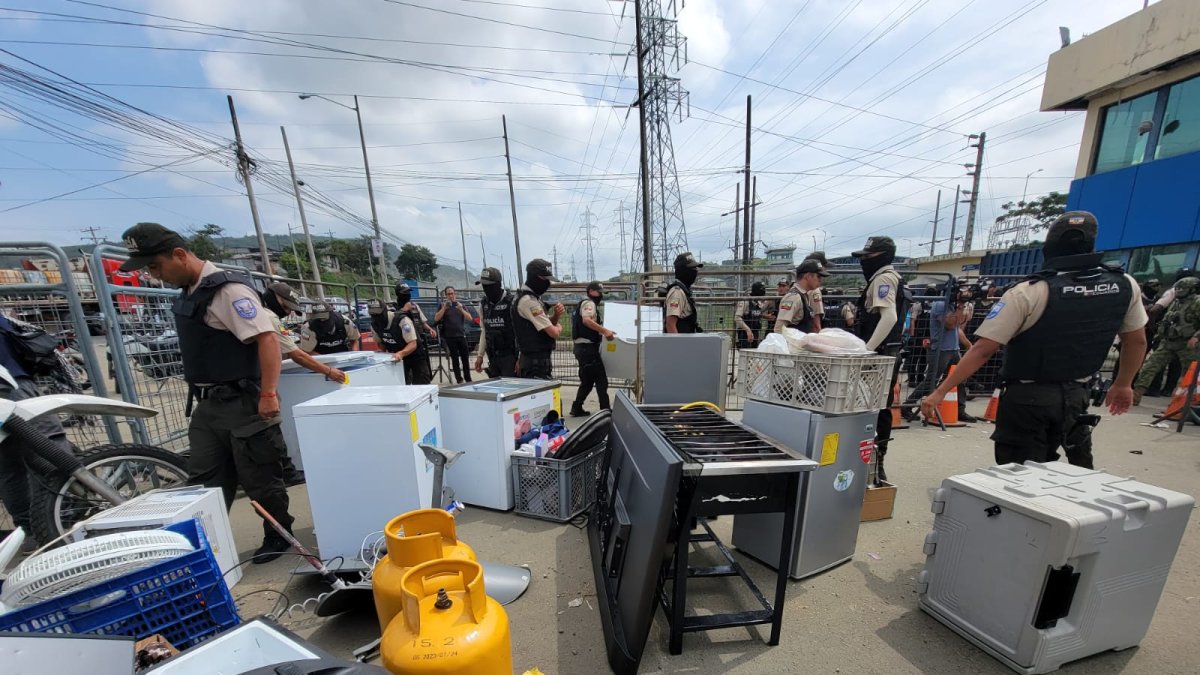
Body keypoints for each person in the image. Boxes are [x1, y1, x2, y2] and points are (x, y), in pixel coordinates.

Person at [118, 222, 297, 563]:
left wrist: (269, 393)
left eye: (155, 266)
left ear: (180, 255)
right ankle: (201, 546)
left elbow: (268, 340)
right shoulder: (191, 293)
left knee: (259, 476)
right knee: (203, 480)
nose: (154, 275)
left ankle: (279, 534)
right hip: (208, 405)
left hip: (243, 401)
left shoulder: (228, 291)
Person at [920, 212, 1148, 469]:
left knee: (1021, 476)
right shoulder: (1124, 284)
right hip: (1077, 394)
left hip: (1028, 398)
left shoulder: (1030, 291)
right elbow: (1137, 341)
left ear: (1050, 246)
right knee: (1075, 473)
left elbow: (984, 349)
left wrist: (940, 392)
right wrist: (1123, 383)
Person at [0, 315, 76, 551]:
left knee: (8, 465)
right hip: (9, 385)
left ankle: (30, 532)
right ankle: (62, 520)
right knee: (50, 450)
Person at [260, 282, 347, 487]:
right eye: (288, 307)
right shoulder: (268, 317)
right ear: (276, 299)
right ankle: (286, 473)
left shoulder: (258, 312)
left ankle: (280, 471)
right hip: (256, 384)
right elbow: (297, 354)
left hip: (257, 381)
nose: (288, 312)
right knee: (269, 427)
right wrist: (328, 371)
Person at [852, 236, 906, 483]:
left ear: (882, 255)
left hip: (878, 357)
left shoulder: (884, 278)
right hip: (884, 354)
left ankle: (874, 464)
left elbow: (889, 317)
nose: (864, 262)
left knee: (874, 408)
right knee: (876, 407)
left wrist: (867, 349)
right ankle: (872, 464)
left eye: (867, 257)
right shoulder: (887, 277)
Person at [902, 282, 977, 422]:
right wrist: (961, 306)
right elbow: (950, 324)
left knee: (960, 378)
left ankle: (960, 409)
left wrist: (967, 344)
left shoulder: (952, 306)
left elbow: (958, 327)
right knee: (931, 380)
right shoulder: (940, 305)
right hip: (940, 350)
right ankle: (907, 405)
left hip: (953, 349)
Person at [1134, 276, 1200, 405]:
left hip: (1187, 344)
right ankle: (1136, 395)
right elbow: (1168, 319)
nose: (1179, 291)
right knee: (1150, 367)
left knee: (1188, 375)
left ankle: (1181, 404)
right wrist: (1159, 336)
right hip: (1168, 341)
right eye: (1178, 288)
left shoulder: (1197, 302)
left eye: (1183, 288)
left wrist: (1196, 337)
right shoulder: (1176, 301)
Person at [512, 259, 564, 380]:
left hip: (534, 362)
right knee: (549, 398)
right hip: (535, 366)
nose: (548, 284)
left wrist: (556, 315)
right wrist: (559, 327)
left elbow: (542, 325)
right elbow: (553, 332)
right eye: (545, 280)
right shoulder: (529, 302)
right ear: (535, 278)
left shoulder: (531, 298)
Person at [570, 282, 616, 417]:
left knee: (587, 381)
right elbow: (586, 321)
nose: (600, 294)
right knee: (601, 380)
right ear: (590, 291)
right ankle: (605, 410)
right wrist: (604, 331)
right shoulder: (589, 303)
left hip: (581, 349)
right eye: (598, 291)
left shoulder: (583, 303)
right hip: (587, 349)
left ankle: (576, 407)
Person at [382, 283, 435, 385]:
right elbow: (391, 323)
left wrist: (430, 329)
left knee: (423, 378)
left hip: (417, 346)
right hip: (402, 348)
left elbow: (422, 321)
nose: (407, 295)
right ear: (398, 294)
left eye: (408, 292)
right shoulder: (392, 309)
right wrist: (404, 310)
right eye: (404, 293)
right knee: (405, 380)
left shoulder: (414, 306)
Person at [473, 267, 518, 378]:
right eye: (484, 285)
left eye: (489, 285)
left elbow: (521, 332)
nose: (486, 288)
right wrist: (480, 355)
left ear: (498, 284)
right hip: (493, 356)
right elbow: (484, 330)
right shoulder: (483, 304)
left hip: (511, 356)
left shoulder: (512, 302)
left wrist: (520, 358)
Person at [775, 259, 830, 333]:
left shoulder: (803, 295)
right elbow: (779, 328)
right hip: (793, 344)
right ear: (808, 276)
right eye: (819, 276)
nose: (821, 280)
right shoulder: (794, 297)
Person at [435, 286, 474, 384]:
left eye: (452, 293)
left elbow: (470, 318)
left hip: (461, 336)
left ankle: (468, 378)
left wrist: (461, 309)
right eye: (448, 294)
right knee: (455, 359)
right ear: (445, 295)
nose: (451, 296)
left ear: (455, 294)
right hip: (449, 337)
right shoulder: (442, 305)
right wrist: (444, 308)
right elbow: (436, 318)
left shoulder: (460, 305)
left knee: (465, 358)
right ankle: (459, 379)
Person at [664, 252, 703, 334]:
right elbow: (670, 324)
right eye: (692, 269)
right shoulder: (677, 293)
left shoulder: (685, 290)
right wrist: (677, 346)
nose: (695, 272)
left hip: (686, 341)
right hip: (680, 343)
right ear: (683, 270)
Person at [802, 252, 831, 331]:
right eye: (824, 266)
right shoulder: (814, 290)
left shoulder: (797, 287)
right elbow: (816, 324)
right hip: (809, 336)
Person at [734, 282, 769, 348]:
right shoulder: (745, 301)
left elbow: (756, 314)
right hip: (744, 334)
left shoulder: (758, 302)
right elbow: (737, 317)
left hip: (755, 333)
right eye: (762, 290)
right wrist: (748, 330)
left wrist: (766, 316)